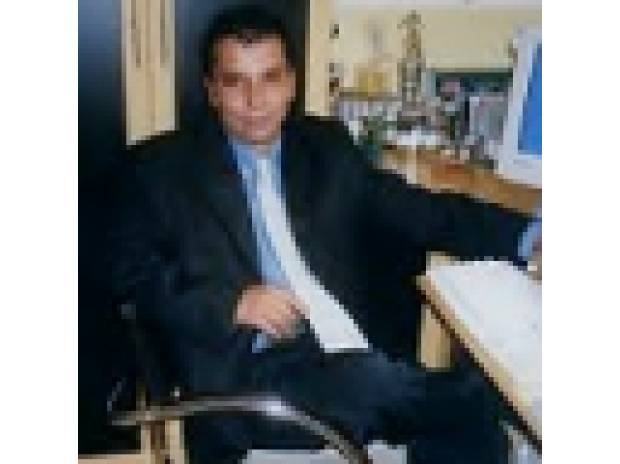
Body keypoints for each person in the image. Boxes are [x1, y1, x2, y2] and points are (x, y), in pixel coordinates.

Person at [110, 4, 539, 463]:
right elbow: (129, 275)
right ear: (212, 90)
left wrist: (530, 236)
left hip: (341, 353)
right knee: (465, 398)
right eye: (235, 82)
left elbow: (418, 210)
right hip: (247, 375)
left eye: (270, 78)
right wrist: (231, 303)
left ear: (292, 84)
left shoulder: (324, 147)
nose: (255, 100)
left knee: (471, 424)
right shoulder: (162, 170)